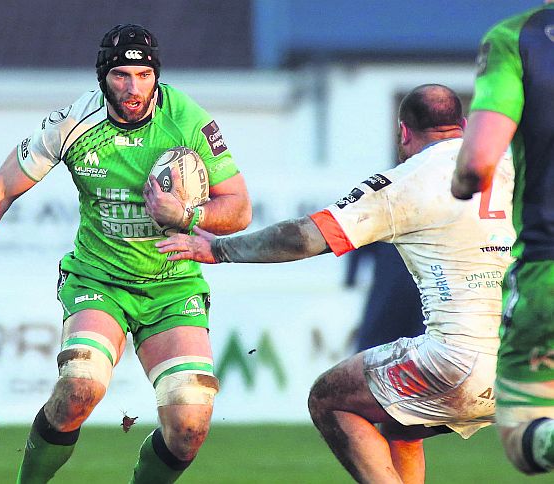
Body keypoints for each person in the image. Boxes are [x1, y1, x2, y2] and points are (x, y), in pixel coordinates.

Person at [0, 23, 251, 483]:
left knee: (189, 426)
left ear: (156, 75)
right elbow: (1, 188)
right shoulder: (75, 122)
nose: (133, 87)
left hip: (173, 285)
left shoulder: (189, 121)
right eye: (121, 75)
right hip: (99, 280)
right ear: (103, 77)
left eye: (144, 75)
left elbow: (239, 209)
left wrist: (185, 213)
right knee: (80, 388)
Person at [158, 84, 516, 483]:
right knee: (402, 426)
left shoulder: (403, 183)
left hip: (455, 361)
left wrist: (219, 250)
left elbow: (301, 238)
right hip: (521, 364)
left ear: (402, 133)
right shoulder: (509, 167)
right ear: (463, 126)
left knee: (328, 398)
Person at [451, 1, 554, 475]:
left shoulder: (519, 38)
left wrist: (460, 183)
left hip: (546, 271)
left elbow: (476, 165)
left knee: (522, 430)